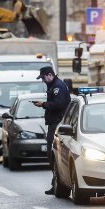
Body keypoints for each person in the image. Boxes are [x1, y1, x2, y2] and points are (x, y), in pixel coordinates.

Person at [33, 66, 70, 195]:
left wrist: (43, 104)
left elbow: (58, 104)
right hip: (55, 123)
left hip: (57, 123)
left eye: (43, 78)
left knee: (52, 154)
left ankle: (57, 183)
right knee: (52, 154)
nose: (43, 80)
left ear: (49, 75)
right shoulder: (54, 85)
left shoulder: (57, 87)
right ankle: (56, 183)